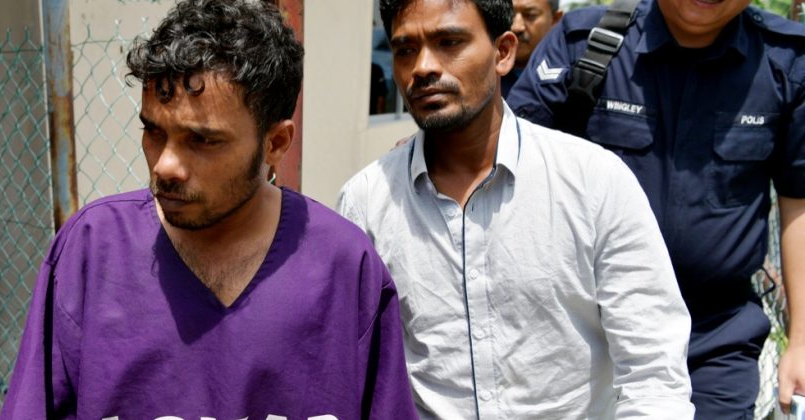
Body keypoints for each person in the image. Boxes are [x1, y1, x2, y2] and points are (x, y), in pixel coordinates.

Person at [0, 1, 417, 418]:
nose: (165, 166)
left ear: (275, 144)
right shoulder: (91, 251)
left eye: (202, 140)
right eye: (154, 131)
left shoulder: (344, 268)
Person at [338, 0, 694, 418]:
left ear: (503, 52)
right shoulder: (366, 203)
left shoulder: (593, 182)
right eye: (404, 50)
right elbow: (349, 369)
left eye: (449, 42)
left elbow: (653, 373)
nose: (423, 67)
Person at [506, 0, 805, 417]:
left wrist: (801, 341)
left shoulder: (785, 61)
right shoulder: (585, 44)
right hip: (586, 334)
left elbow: (798, 201)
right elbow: (504, 165)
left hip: (714, 340)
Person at [501, 0, 563, 96]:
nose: (516, 27)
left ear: (555, 20)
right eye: (509, 14)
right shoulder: (487, 77)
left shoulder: (569, 79)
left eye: (530, 15)